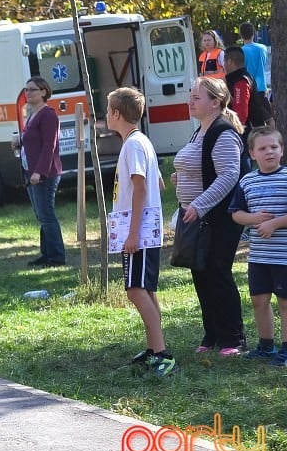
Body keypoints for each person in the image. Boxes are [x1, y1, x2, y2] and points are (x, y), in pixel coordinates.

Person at [170, 77, 247, 355]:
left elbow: (229, 175)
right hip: (197, 217)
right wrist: (181, 176)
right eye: (191, 96)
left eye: (196, 97)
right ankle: (212, 334)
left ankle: (233, 338)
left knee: (217, 272)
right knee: (200, 273)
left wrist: (200, 204)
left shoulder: (223, 132)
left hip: (219, 217)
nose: (190, 101)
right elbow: (202, 165)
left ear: (215, 102)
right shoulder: (199, 131)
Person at [106, 87, 174, 377]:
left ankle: (162, 354)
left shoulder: (133, 145)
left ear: (117, 114)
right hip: (144, 228)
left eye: (108, 110)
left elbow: (142, 187)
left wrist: (132, 234)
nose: (106, 115)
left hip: (139, 231)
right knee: (145, 289)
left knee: (135, 289)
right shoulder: (141, 141)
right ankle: (153, 348)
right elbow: (159, 184)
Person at [230, 127, 287, 366]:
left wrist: (274, 223)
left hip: (283, 257)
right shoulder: (247, 181)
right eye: (262, 148)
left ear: (281, 150)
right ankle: (266, 346)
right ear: (252, 154)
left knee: (285, 302)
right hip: (259, 257)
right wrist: (253, 220)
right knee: (259, 300)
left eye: (273, 147)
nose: (269, 152)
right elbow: (236, 214)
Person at [17, 76, 66, 267]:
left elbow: (49, 146)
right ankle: (46, 254)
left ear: (44, 92)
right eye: (26, 89)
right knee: (41, 215)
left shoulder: (48, 115)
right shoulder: (32, 115)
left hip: (45, 173)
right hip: (31, 171)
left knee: (46, 214)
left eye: (32, 89)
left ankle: (56, 257)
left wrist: (39, 172)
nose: (28, 93)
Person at [239, 22, 270, 98]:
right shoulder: (263, 48)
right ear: (253, 33)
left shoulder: (241, 51)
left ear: (241, 35)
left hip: (248, 86)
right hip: (262, 86)